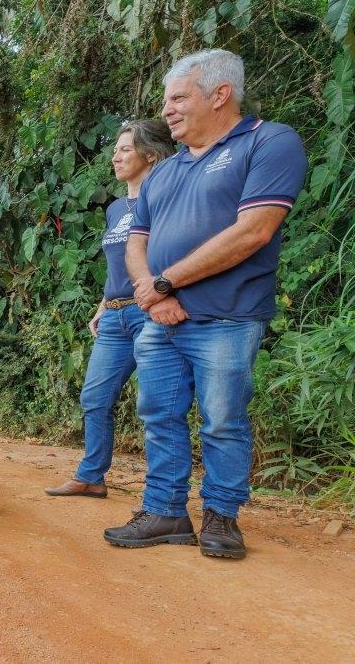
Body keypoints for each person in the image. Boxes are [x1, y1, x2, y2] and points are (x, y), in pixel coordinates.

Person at [104, 49, 308, 559]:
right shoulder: (166, 171)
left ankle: (221, 515)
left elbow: (253, 231)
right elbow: (136, 239)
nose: (167, 109)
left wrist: (165, 284)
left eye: (178, 98)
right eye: (166, 100)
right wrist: (152, 294)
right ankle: (166, 511)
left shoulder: (268, 141)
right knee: (159, 415)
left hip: (226, 317)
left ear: (221, 95)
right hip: (160, 318)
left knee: (222, 419)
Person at [45, 120, 175, 498]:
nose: (115, 157)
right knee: (95, 397)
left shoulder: (165, 197)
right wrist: (102, 305)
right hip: (116, 314)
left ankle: (161, 494)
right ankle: (91, 475)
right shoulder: (116, 208)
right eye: (115, 150)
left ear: (150, 155)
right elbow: (119, 263)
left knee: (155, 404)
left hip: (149, 309)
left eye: (125, 150)